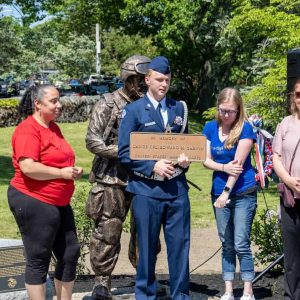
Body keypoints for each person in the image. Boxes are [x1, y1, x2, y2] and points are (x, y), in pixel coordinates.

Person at [118, 56, 191, 299]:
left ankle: (181, 295)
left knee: (180, 248)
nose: (164, 84)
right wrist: (152, 166)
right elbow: (125, 153)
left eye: (167, 80)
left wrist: (185, 159)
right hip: (146, 191)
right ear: (148, 79)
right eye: (159, 79)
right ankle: (145, 295)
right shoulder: (133, 111)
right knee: (146, 251)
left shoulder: (179, 108)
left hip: (176, 191)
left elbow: (185, 143)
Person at [7, 84, 83, 300]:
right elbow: (28, 167)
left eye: (59, 100)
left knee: (70, 253)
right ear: (38, 104)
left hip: (58, 201)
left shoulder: (53, 127)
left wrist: (71, 171)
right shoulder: (27, 130)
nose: (59, 105)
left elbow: (58, 159)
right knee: (39, 257)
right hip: (33, 199)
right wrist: (61, 172)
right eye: (54, 101)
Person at [85, 55, 151, 300]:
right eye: (139, 80)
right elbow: (93, 141)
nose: (143, 85)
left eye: (146, 80)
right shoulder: (108, 103)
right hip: (111, 178)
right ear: (127, 78)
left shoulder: (150, 105)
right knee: (108, 231)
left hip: (145, 178)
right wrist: (127, 151)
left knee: (145, 231)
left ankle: (145, 278)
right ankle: (101, 283)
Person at [202, 87, 257, 300]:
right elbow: (205, 160)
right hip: (218, 191)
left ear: (238, 110)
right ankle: (228, 290)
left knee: (241, 241)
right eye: (223, 110)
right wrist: (222, 169)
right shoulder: (209, 128)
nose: (226, 115)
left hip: (243, 191)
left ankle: (248, 291)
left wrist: (226, 193)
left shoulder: (245, 129)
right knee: (227, 243)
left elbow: (238, 166)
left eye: (231, 111)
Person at [272, 79, 300, 300]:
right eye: (298, 94)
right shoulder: (285, 124)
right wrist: (288, 180)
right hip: (291, 199)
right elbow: (276, 158)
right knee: (291, 258)